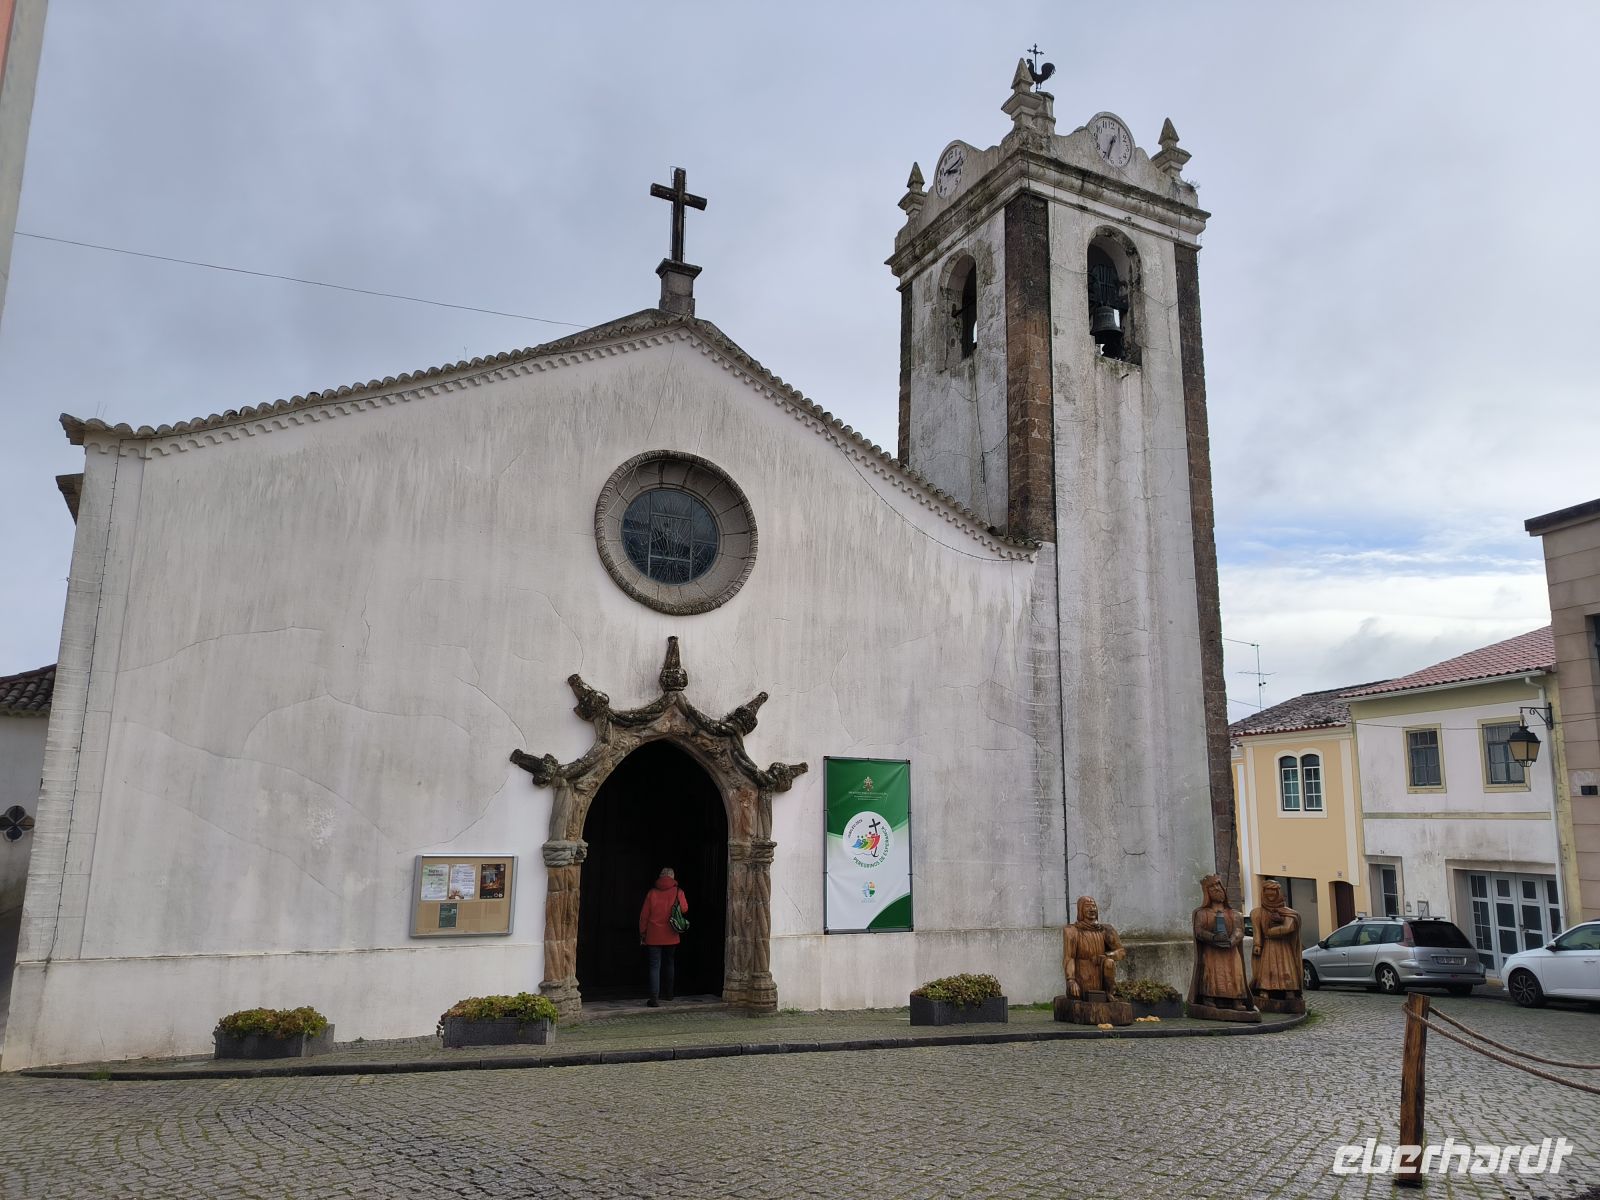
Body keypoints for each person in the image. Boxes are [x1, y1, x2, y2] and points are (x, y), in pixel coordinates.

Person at [1188, 873, 1254, 1011]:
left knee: (1235, 973)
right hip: (1212, 951)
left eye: (1219, 886)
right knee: (1211, 972)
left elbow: (1239, 931)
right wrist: (1213, 937)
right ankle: (1210, 998)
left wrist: (1231, 941)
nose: (1217, 889)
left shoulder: (1234, 914)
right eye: (1212, 887)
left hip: (1231, 951)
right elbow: (1199, 931)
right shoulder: (1202, 913)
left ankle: (1236, 1000)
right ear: (1207, 893)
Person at [638, 866, 688, 1008]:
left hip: (653, 935)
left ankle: (654, 998)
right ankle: (669, 994)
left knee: (655, 966)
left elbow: (644, 915)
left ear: (660, 877)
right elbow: (684, 908)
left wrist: (643, 932)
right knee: (670, 963)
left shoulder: (652, 893)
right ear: (672, 877)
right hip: (671, 934)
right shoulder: (678, 891)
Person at [1060, 895, 1126, 999]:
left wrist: (1107, 956)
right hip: (1082, 978)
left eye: (1094, 906)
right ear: (1080, 910)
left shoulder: (1106, 929)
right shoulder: (1072, 931)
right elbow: (1069, 958)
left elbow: (1121, 952)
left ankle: (1109, 993)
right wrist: (1071, 980)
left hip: (1101, 977)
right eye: (1087, 906)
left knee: (1109, 962)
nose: (1092, 909)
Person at [1249, 879, 1303, 1000]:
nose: (1270, 894)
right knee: (1267, 968)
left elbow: (1289, 927)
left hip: (1284, 946)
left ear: (1279, 893)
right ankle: (1265, 989)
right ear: (1263, 893)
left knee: (1286, 967)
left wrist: (1272, 930)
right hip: (1268, 945)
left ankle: (1289, 989)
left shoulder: (1289, 913)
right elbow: (1257, 931)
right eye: (1268, 891)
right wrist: (1257, 944)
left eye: (1273, 891)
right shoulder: (1257, 912)